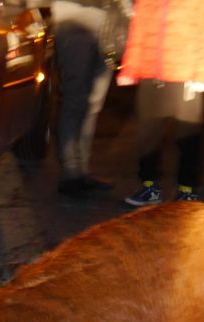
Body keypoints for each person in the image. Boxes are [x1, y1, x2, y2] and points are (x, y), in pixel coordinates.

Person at [117, 0, 204, 206]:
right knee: (148, 136)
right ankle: (150, 187)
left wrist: (202, 75)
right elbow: (138, 31)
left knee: (187, 137)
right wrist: (131, 68)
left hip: (186, 77)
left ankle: (187, 189)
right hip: (151, 75)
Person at [51, 0, 125, 198]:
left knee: (94, 102)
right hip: (75, 18)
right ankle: (71, 172)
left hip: (107, 20)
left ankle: (81, 170)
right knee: (75, 98)